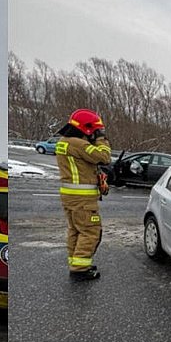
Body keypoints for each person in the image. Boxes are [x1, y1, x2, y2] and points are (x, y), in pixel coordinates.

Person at [56, 108, 112, 281]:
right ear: (87, 129)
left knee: (75, 230)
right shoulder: (78, 144)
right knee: (90, 231)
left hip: (70, 197)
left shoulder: (64, 142)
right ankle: (80, 269)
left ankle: (76, 263)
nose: (96, 134)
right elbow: (104, 157)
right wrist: (102, 140)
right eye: (95, 130)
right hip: (83, 199)